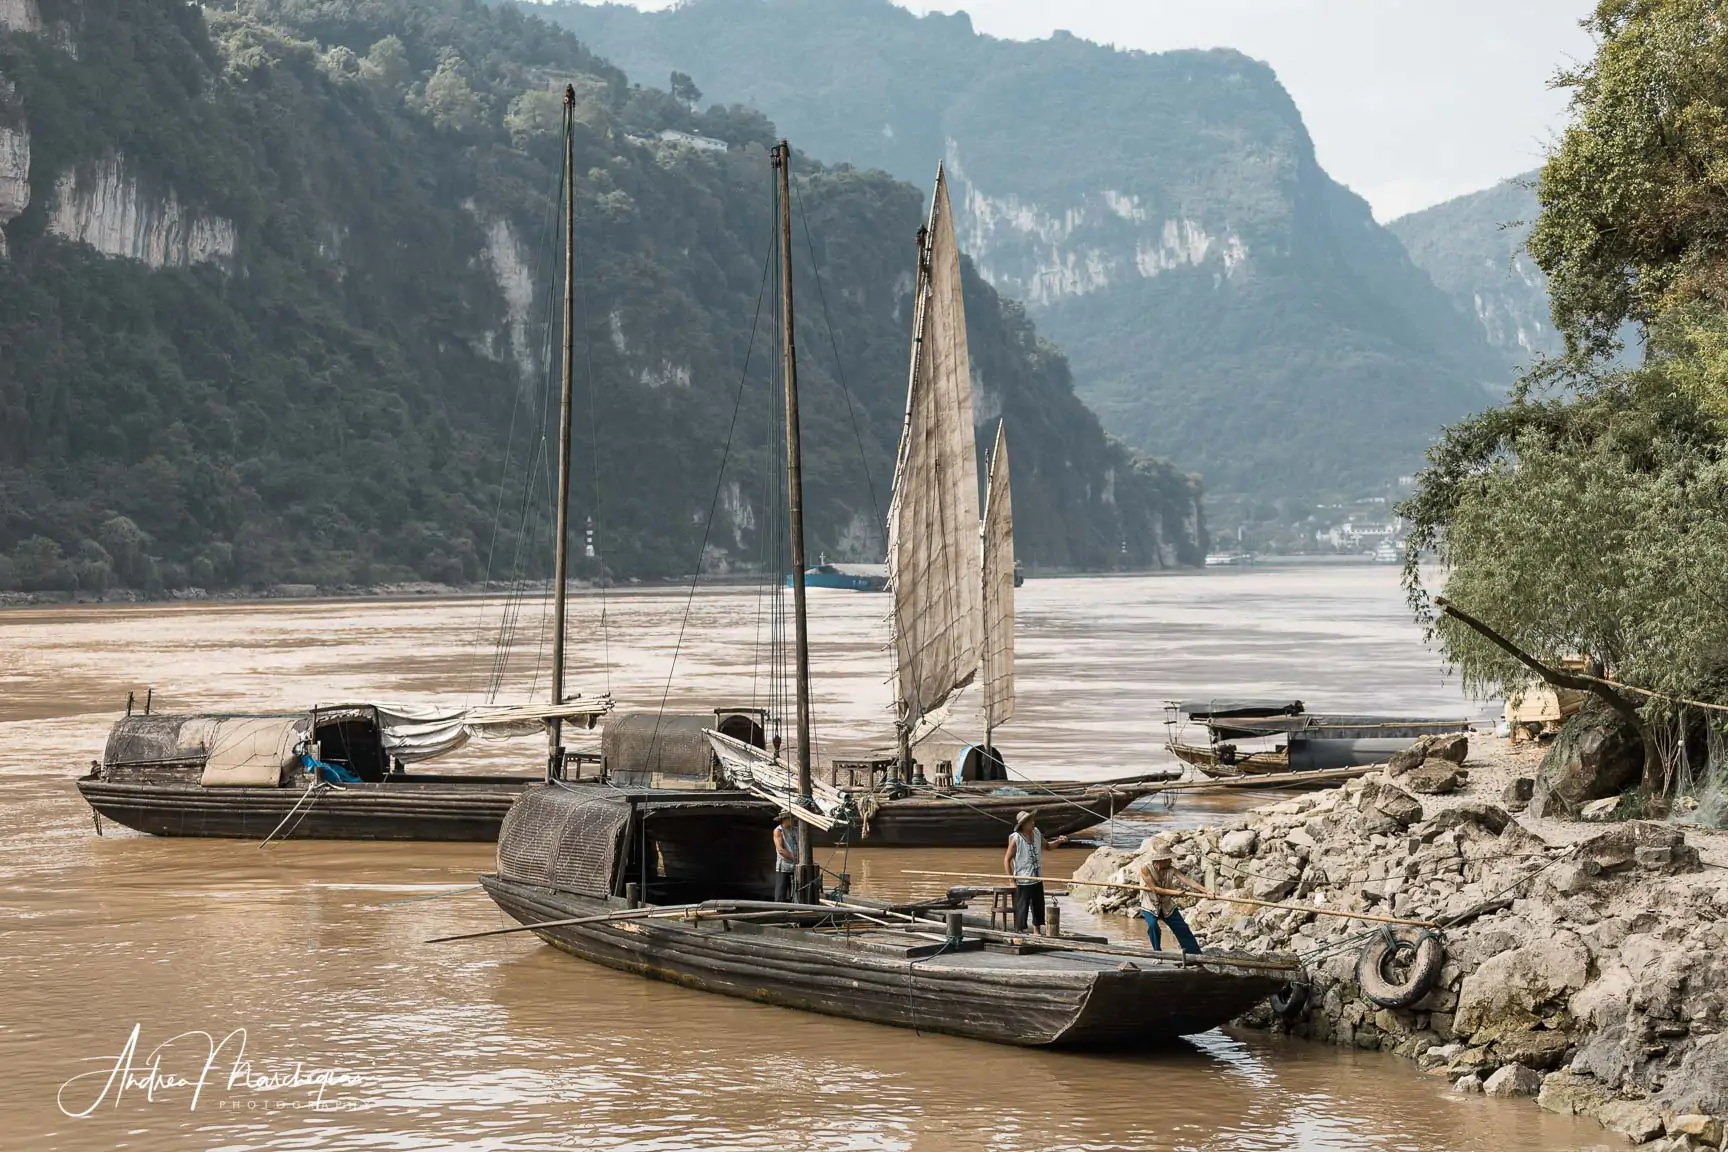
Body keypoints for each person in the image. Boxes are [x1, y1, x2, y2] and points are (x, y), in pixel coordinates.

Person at [1003, 811, 1067, 934]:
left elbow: (1048, 846)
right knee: (1022, 908)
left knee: (1038, 907)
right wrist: (1011, 880)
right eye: (1030, 821)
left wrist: (1059, 841)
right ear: (1023, 824)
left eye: (1032, 820)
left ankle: (1037, 931)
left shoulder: (1036, 833)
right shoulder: (1016, 839)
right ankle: (1020, 932)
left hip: (1037, 878)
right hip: (1023, 880)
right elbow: (1007, 859)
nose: (1033, 823)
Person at [1138, 845, 1204, 954]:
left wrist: (1205, 891)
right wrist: (1176, 893)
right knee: (1153, 926)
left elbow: (1187, 880)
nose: (1170, 861)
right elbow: (1154, 889)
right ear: (1161, 860)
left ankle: (1194, 955)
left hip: (1166, 905)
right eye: (1168, 859)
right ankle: (1157, 953)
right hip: (1149, 904)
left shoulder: (1171, 870)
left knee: (1182, 928)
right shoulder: (1145, 869)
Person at [772, 810, 800, 903]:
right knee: (781, 892)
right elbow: (780, 850)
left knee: (796, 891)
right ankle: (778, 911)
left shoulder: (796, 830)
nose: (793, 821)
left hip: (796, 866)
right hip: (784, 866)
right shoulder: (778, 831)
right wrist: (795, 859)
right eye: (790, 819)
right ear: (784, 819)